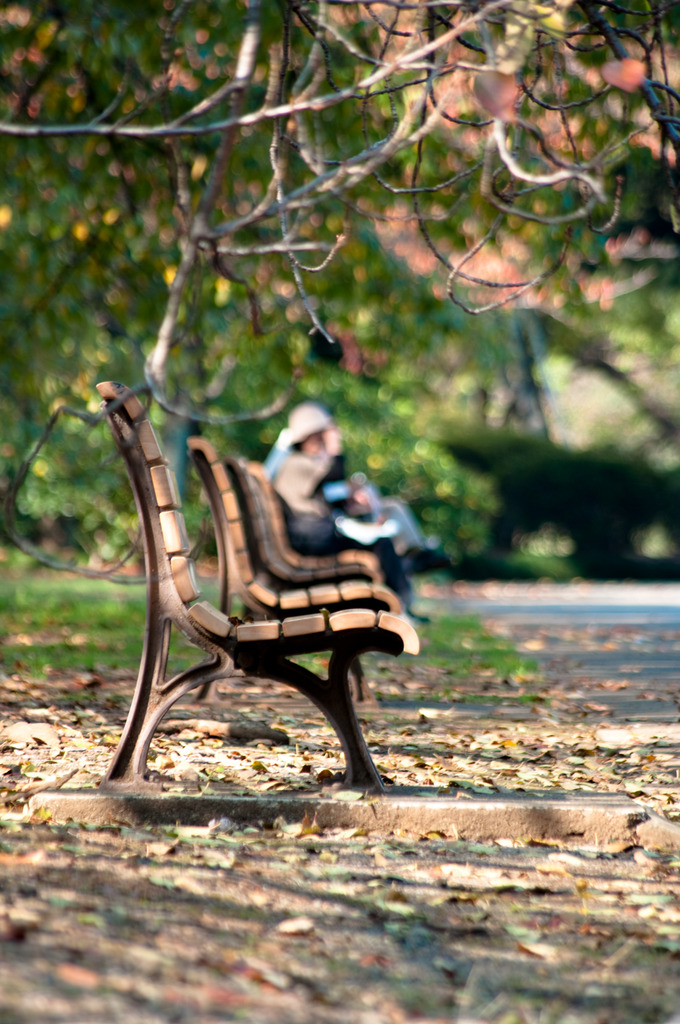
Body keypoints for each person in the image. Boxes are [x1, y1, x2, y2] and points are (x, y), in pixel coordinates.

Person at [270, 401, 445, 615]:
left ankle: (405, 593)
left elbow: (322, 494)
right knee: (381, 543)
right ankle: (400, 604)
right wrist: (335, 451)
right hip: (311, 538)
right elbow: (330, 480)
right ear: (309, 436)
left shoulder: (301, 462)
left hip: (315, 533)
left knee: (381, 538)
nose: (323, 442)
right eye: (319, 436)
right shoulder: (297, 462)